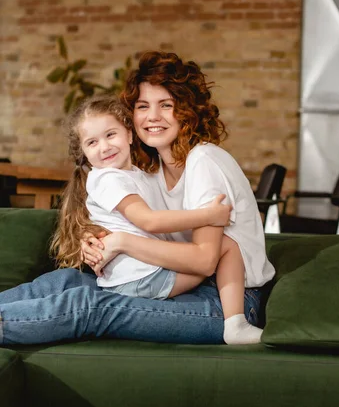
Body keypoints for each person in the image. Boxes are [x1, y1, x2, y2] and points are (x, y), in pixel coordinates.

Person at [0, 51, 275, 347]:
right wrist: (97, 241)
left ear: (188, 111)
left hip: (225, 301)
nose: (152, 116)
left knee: (90, 305)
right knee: (66, 281)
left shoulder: (204, 162)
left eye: (166, 105)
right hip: (177, 282)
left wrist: (121, 242)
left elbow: (206, 261)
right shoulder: (153, 171)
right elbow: (136, 221)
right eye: (143, 106)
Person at [52, 93, 231, 302]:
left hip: (140, 274)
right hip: (143, 277)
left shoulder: (137, 175)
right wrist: (209, 216)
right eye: (92, 142)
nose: (105, 146)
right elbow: (150, 221)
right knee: (223, 249)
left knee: (214, 253)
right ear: (84, 153)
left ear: (129, 135)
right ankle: (234, 317)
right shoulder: (108, 179)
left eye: (111, 135)